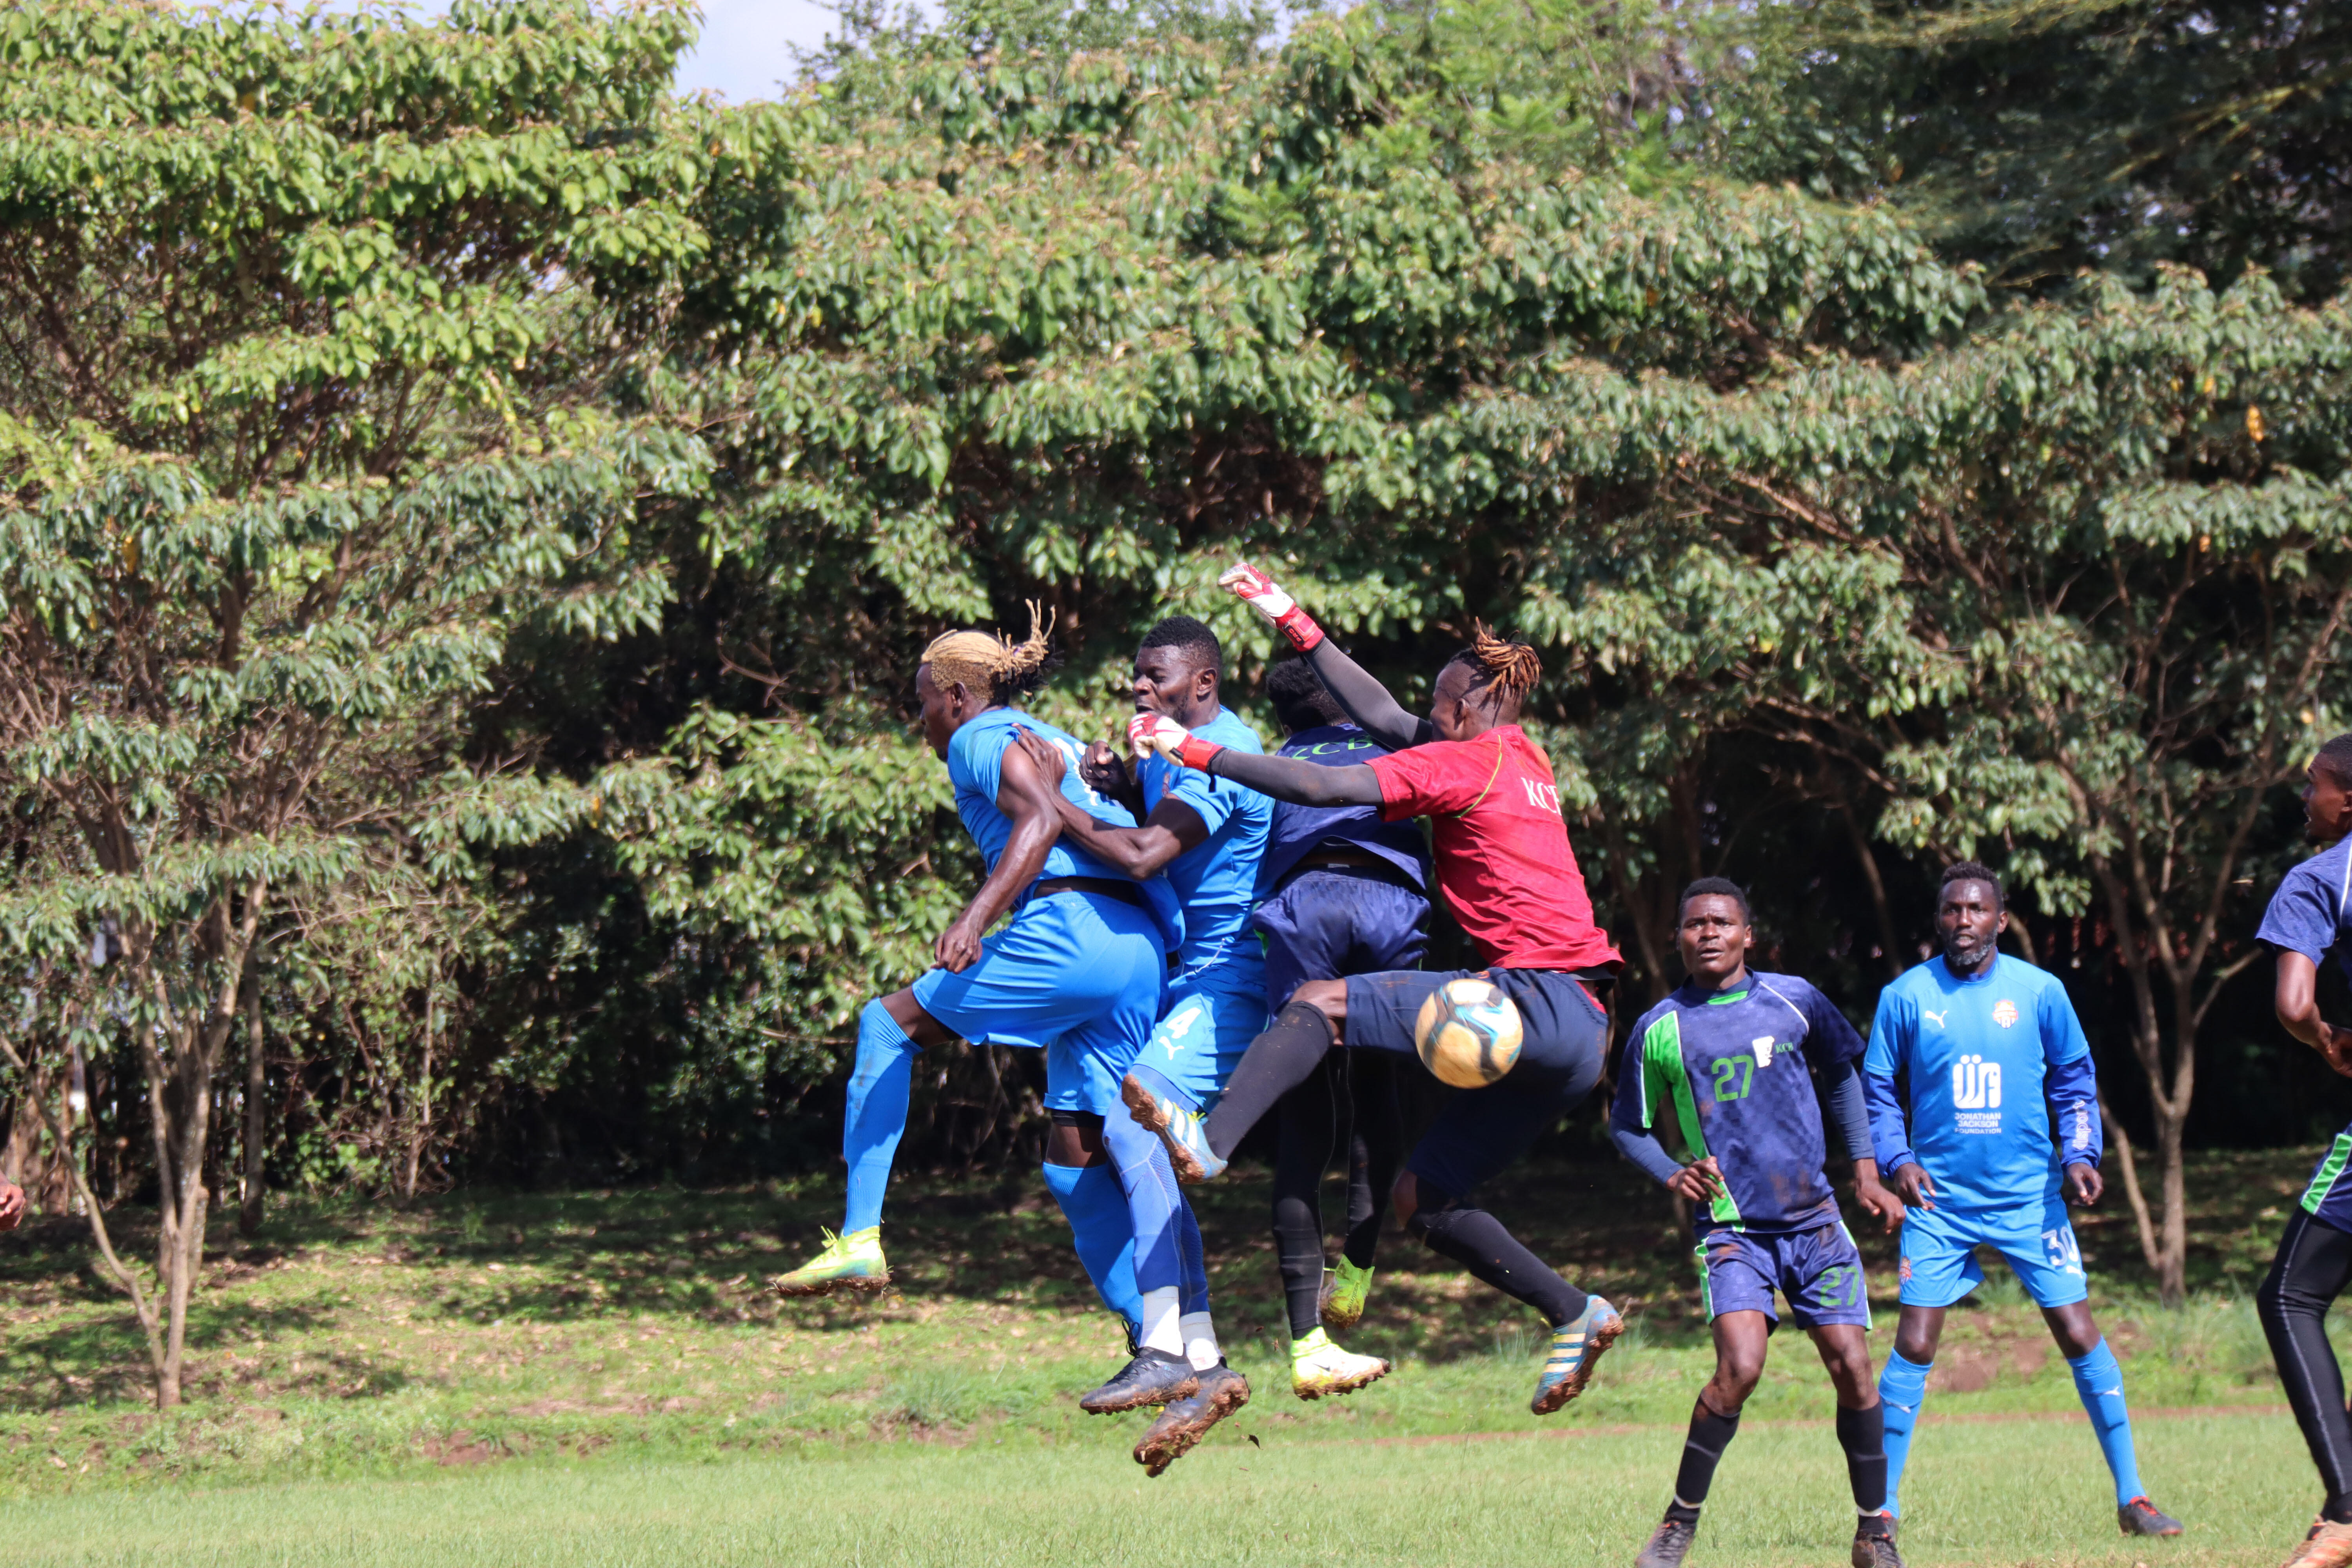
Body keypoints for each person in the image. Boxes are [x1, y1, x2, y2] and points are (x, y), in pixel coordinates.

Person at [1122, 562, 1625, 1416]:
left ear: (1462, 713)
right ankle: (1577, 1311)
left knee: (1319, 1000)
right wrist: (1292, 618)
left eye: (1434, 706)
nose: (1417, 719)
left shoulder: (1462, 764)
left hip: (1532, 999)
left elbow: (1323, 782)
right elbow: (1387, 717)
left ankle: (1210, 1142)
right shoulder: (1521, 753)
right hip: (1583, 1032)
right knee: (1423, 1199)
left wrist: (1194, 748)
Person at [766, 609, 1208, 1419]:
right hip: (1136, 949)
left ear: (959, 696)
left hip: (1073, 931)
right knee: (1083, 1160)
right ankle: (1174, 1350)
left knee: (884, 1024)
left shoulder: (981, 734)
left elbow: (1039, 821)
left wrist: (973, 918)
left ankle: (860, 1236)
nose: (922, 718)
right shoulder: (1057, 735)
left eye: (924, 700)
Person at [1863, 862, 2183, 1544]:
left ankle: (2134, 1497)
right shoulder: (1905, 996)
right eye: (1952, 910)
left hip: (2029, 1199)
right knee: (1915, 1343)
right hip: (1940, 1203)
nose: (1964, 921)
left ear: (2001, 919)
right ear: (1939, 918)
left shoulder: (2041, 992)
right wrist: (1897, 1160)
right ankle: (1881, 1512)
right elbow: (1879, 1091)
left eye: (1978, 909)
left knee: (2077, 1331)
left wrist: (2080, 1156)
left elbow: (2074, 1078)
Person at [1010, 613, 1261, 1472]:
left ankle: (1163, 1347)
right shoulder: (1163, 746)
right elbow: (1151, 819)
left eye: (1157, 676)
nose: (1140, 688)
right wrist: (1116, 783)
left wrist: (1055, 806)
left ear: (1204, 684)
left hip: (1234, 976)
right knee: (1122, 1136)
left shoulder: (1221, 746)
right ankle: (1198, 1355)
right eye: (1136, 675)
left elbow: (1151, 853)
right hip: (1186, 975)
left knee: (1127, 1126)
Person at [1611, 878, 1906, 1568]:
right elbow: (1628, 1127)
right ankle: (1679, 1523)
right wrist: (1669, 1171)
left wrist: (1865, 1170)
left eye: (1721, 922)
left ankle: (1874, 1533)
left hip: (1814, 1222)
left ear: (1748, 934)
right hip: (1732, 1231)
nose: (1707, 933)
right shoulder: (1661, 1029)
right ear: (1678, 937)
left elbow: (1841, 1074)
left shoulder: (1794, 1000)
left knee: (1855, 1369)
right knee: (1740, 1368)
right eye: (1693, 924)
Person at [1255, 655, 1426, 1400]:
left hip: (1307, 901)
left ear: (1287, 721)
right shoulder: (1397, 744)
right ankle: (1357, 1267)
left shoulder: (1273, 760)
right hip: (1391, 901)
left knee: (1304, 1112)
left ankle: (1306, 1340)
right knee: (1377, 1081)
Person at [2254, 734, 2352, 1568]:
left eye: (2315, 786)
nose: (2306, 799)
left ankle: (2349, 1514)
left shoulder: (2323, 877)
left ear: (2348, 800)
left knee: (2289, 1294)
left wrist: (2324, 1037)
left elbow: (2293, 1001)